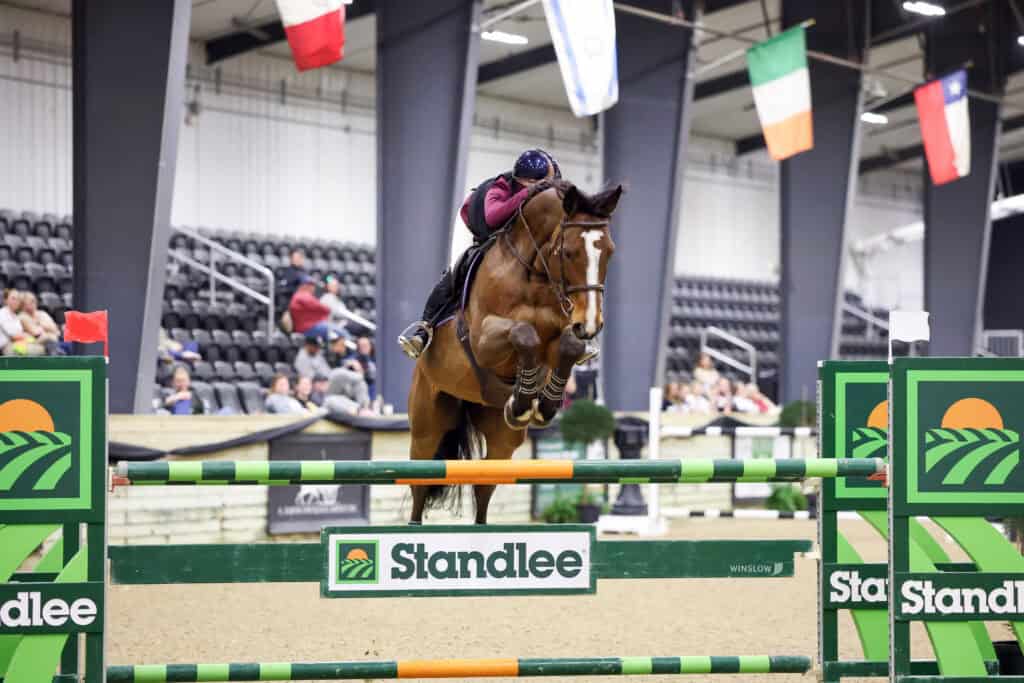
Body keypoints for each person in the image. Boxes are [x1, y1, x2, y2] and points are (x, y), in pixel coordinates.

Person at [397, 149, 562, 359]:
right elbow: (493, 218)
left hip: (504, 235)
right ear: (528, 182)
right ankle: (423, 331)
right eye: (543, 188)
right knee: (456, 269)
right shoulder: (502, 186)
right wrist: (528, 193)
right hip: (474, 225)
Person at [0, 290, 44, 356]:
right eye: (13, 298)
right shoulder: (2, 314)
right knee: (41, 349)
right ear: (6, 300)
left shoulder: (15, 316)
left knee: (42, 346)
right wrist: (30, 338)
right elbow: (15, 336)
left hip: (17, 344)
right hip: (6, 347)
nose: (16, 301)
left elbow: (21, 333)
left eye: (18, 299)